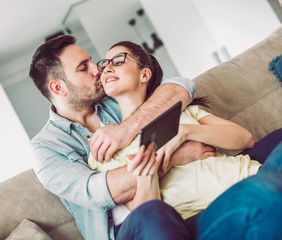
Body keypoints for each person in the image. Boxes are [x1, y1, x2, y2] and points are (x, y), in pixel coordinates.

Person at [89, 40, 282, 239]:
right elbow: (147, 212)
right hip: (212, 210)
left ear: (144, 74)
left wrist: (184, 132)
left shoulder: (180, 111)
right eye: (104, 65)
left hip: (254, 173)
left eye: (118, 61)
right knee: (266, 196)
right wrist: (150, 171)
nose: (107, 68)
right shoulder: (104, 147)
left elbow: (246, 139)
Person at [28, 35, 212, 240]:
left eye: (91, 61)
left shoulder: (115, 97)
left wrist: (125, 129)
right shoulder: (44, 148)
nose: (98, 69)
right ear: (58, 88)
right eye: (83, 67)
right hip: (123, 229)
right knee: (153, 213)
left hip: (177, 197)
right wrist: (173, 155)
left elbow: (181, 86)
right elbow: (100, 192)